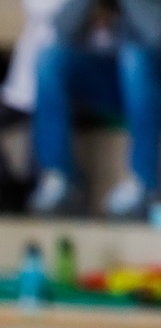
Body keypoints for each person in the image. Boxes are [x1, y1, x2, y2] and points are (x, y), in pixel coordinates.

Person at [27, 0, 161, 218]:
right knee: (50, 61)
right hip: (116, 82)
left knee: (135, 58)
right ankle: (63, 181)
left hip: (150, 76)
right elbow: (62, 31)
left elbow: (157, 33)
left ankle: (146, 183)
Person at [0, 0, 72, 212]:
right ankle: (7, 188)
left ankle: (31, 193)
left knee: (40, 130)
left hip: (56, 84)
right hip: (19, 87)